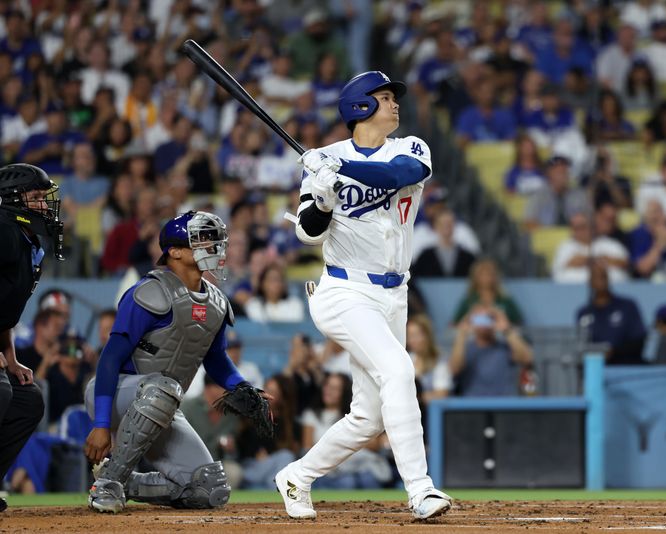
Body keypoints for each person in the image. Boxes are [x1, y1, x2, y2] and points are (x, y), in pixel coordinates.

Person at [277, 70, 452, 520]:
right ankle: (420, 489)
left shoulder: (410, 147)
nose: (394, 104)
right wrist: (322, 199)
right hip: (343, 291)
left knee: (368, 417)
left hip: (394, 295)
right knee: (398, 368)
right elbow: (308, 233)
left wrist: (340, 170)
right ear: (361, 106)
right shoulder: (324, 161)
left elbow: (400, 174)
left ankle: (297, 475)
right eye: (386, 97)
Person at [83, 211, 267, 513]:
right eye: (201, 239)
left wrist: (244, 387)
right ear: (175, 251)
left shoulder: (217, 302)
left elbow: (216, 359)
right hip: (116, 393)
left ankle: (127, 483)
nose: (212, 246)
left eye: (213, 239)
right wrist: (102, 423)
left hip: (162, 403)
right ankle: (109, 484)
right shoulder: (150, 291)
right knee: (164, 388)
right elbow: (110, 358)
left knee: (210, 488)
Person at [0, 163, 63, 513]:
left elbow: (3, 310)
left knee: (28, 400)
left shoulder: (25, 239)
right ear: (12, 198)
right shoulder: (3, 231)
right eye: (37, 197)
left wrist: (9, 357)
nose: (43, 204)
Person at [449, 306, 534, 397]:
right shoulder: (464, 349)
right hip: (472, 406)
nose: (483, 323)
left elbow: (527, 359)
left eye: (488, 318)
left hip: (504, 405)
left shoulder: (507, 347)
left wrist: (507, 330)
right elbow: (454, 370)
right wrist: (462, 334)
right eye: (478, 319)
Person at [576, 263, 648, 365]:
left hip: (625, 367)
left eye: (603, 276)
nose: (600, 280)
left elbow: (639, 340)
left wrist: (614, 352)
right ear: (589, 282)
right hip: (595, 369)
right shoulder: (583, 313)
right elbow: (582, 345)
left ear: (608, 279)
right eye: (596, 277)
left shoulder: (627, 306)